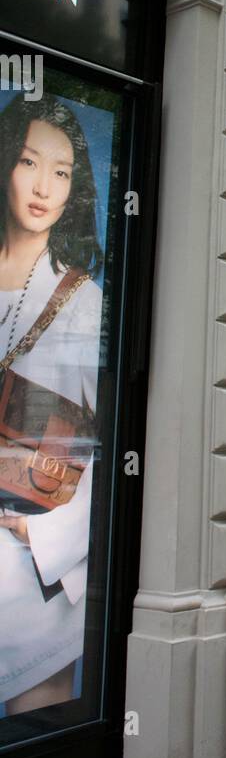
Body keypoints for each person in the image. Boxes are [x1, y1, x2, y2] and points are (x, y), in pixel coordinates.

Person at [0, 94, 102, 715]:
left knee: (33, 729)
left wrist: (40, 530)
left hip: (27, 564)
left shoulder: (81, 300)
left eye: (61, 172)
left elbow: (103, 438)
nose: (43, 187)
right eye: (29, 163)